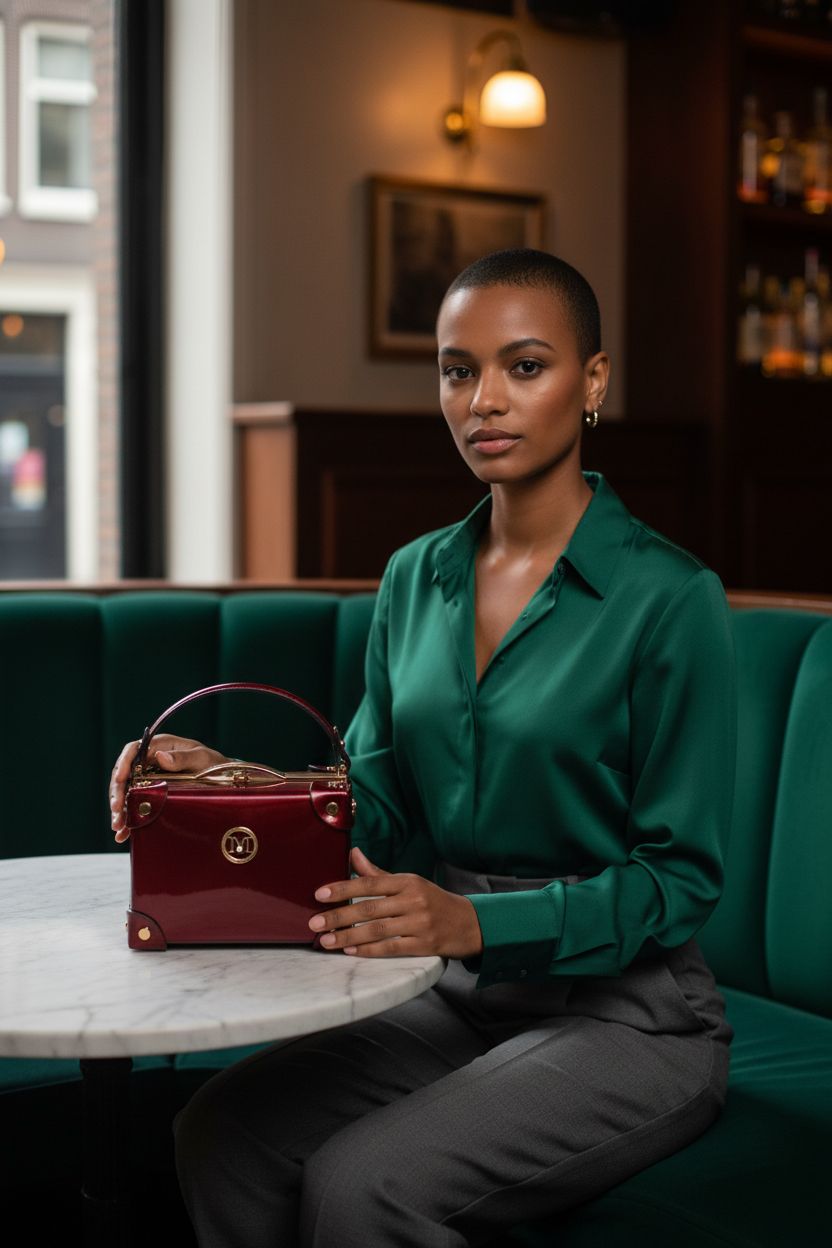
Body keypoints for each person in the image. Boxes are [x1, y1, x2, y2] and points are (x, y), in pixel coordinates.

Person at [110, 249, 737, 1248]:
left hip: (631, 1018)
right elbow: (380, 803)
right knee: (220, 1134)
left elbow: (680, 881)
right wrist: (241, 786)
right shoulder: (412, 580)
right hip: (447, 994)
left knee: (367, 1186)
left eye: (523, 366)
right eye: (457, 370)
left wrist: (473, 924)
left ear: (593, 382)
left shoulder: (671, 600)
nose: (484, 399)